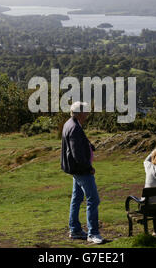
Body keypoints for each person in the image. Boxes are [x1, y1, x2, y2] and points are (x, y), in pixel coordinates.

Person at [61, 101, 104, 244]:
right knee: (93, 199)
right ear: (79, 113)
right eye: (85, 112)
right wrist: (88, 168)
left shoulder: (70, 123)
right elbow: (76, 154)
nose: (87, 115)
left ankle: (75, 230)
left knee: (77, 198)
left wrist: (89, 145)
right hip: (81, 170)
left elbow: (78, 144)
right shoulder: (74, 128)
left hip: (75, 169)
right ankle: (93, 233)